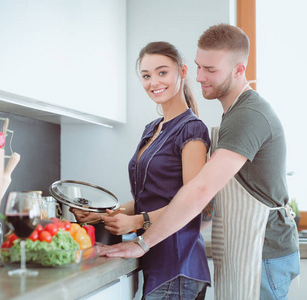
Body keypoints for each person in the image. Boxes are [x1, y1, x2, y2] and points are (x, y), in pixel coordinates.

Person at [100, 24, 300, 300]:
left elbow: (201, 190)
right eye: (198, 66)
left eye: (211, 70)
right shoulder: (232, 114)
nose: (200, 77)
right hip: (242, 246)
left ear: (239, 70)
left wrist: (142, 242)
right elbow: (206, 203)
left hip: (263, 250)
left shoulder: (248, 116)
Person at [71, 41, 212, 299]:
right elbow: (150, 198)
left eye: (162, 72)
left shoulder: (192, 129)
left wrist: (137, 222)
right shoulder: (153, 129)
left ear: (182, 72)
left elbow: (194, 204)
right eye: (146, 76)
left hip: (178, 265)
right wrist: (101, 215)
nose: (153, 82)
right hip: (156, 260)